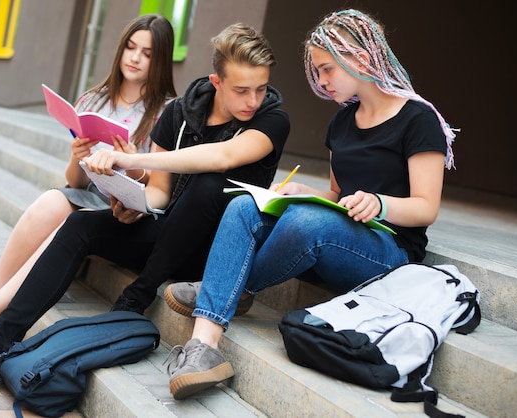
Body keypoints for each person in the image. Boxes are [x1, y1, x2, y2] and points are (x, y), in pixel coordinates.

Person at [0, 22, 289, 391]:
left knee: (209, 184)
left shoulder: (272, 119)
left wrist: (129, 160)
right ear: (216, 81)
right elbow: (161, 192)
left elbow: (222, 156)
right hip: (168, 234)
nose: (253, 101)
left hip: (213, 256)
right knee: (80, 224)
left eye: (261, 88)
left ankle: (136, 296)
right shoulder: (179, 112)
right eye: (242, 90)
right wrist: (137, 201)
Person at [162, 8, 457, 400]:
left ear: (361, 60)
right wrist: (304, 192)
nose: (320, 81)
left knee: (307, 224)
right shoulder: (342, 122)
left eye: (326, 70)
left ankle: (229, 287)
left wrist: (380, 204)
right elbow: (336, 197)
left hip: (388, 253)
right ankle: (203, 349)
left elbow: (426, 208)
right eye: (317, 71)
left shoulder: (417, 119)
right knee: (244, 206)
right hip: (331, 240)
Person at [0, 14, 177, 348]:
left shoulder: (167, 112)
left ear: (160, 59)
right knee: (50, 200)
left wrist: (133, 164)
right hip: (91, 193)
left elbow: (161, 188)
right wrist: (78, 153)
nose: (134, 58)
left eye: (147, 53)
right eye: (131, 47)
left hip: (125, 210)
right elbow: (74, 179)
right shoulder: (94, 100)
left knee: (71, 222)